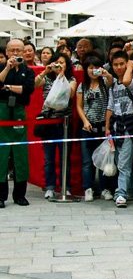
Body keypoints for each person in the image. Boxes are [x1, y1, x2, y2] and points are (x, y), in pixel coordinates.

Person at [34, 52, 77, 199]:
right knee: (49, 157)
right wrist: (46, 71)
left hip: (64, 122)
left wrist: (62, 75)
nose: (59, 65)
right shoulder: (46, 78)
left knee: (65, 157)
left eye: (63, 62)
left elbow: (70, 93)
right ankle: (50, 186)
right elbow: (34, 85)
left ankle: (66, 186)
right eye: (57, 62)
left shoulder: (71, 79)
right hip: (48, 122)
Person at [0, 39, 35, 208]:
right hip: (2, 112)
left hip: (19, 112)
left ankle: (20, 195)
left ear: (23, 52)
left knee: (20, 154)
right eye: (12, 50)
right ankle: (1, 197)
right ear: (7, 52)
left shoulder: (27, 71)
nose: (15, 53)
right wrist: (7, 67)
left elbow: (27, 89)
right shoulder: (1, 68)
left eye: (18, 50)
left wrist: (6, 87)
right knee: (1, 154)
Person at [77, 55, 114, 202]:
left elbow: (112, 81)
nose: (93, 71)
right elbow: (79, 106)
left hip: (103, 127)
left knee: (104, 159)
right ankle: (88, 188)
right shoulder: (82, 86)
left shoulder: (105, 83)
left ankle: (105, 189)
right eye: (90, 67)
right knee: (87, 161)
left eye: (96, 67)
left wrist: (106, 74)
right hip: (88, 127)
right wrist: (85, 121)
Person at [104, 50, 133, 208]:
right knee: (120, 161)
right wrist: (107, 127)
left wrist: (131, 66)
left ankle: (121, 193)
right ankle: (130, 189)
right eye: (115, 64)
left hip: (129, 125)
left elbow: (126, 81)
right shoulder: (112, 86)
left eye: (121, 64)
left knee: (124, 162)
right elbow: (110, 106)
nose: (118, 67)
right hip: (116, 125)